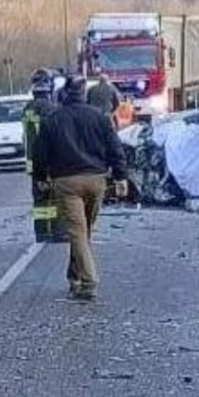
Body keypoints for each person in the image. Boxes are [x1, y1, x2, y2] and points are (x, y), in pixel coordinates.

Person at [32, 74, 127, 301]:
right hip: (96, 180)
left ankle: (89, 281)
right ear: (84, 95)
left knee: (77, 232)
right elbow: (115, 148)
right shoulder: (100, 117)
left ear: (63, 94)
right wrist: (121, 177)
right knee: (84, 232)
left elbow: (40, 153)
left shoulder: (53, 119)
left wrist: (40, 177)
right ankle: (75, 275)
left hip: (66, 183)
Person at [23, 69, 65, 243]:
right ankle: (57, 232)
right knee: (55, 197)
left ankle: (41, 233)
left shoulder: (28, 108)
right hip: (49, 159)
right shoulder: (50, 108)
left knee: (39, 198)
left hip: (32, 160)